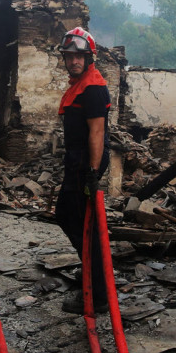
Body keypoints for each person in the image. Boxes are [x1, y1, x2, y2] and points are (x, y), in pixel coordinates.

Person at [54, 27, 113, 314]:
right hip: (78, 161)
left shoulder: (92, 88)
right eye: (69, 56)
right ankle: (91, 275)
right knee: (76, 220)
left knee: (80, 223)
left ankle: (97, 294)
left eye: (79, 56)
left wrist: (91, 171)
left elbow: (97, 133)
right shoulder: (82, 83)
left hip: (83, 163)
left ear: (89, 58)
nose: (74, 61)